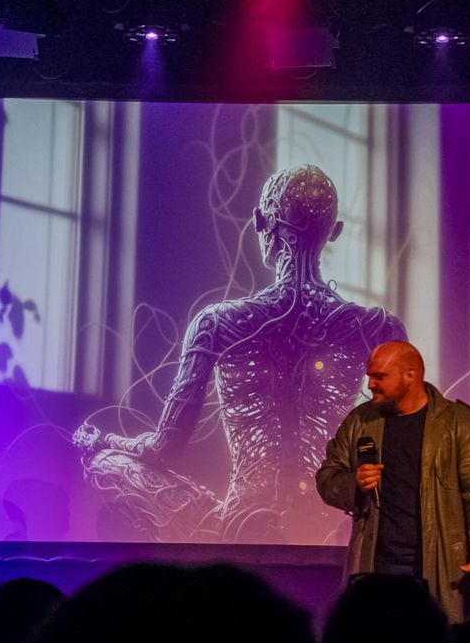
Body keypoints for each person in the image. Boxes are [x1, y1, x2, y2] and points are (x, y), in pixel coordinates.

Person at [74, 164, 406, 544]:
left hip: (242, 525)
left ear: (262, 223)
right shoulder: (379, 329)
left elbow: (166, 447)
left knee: (102, 463)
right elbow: (403, 450)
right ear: (335, 231)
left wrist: (108, 442)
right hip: (333, 525)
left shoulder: (218, 322)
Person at [316, 340, 470, 623]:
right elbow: (327, 477)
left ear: (410, 375)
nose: (371, 384)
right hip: (376, 569)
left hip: (438, 569)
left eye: (379, 376)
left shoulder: (457, 422)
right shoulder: (360, 421)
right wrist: (355, 483)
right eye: (370, 376)